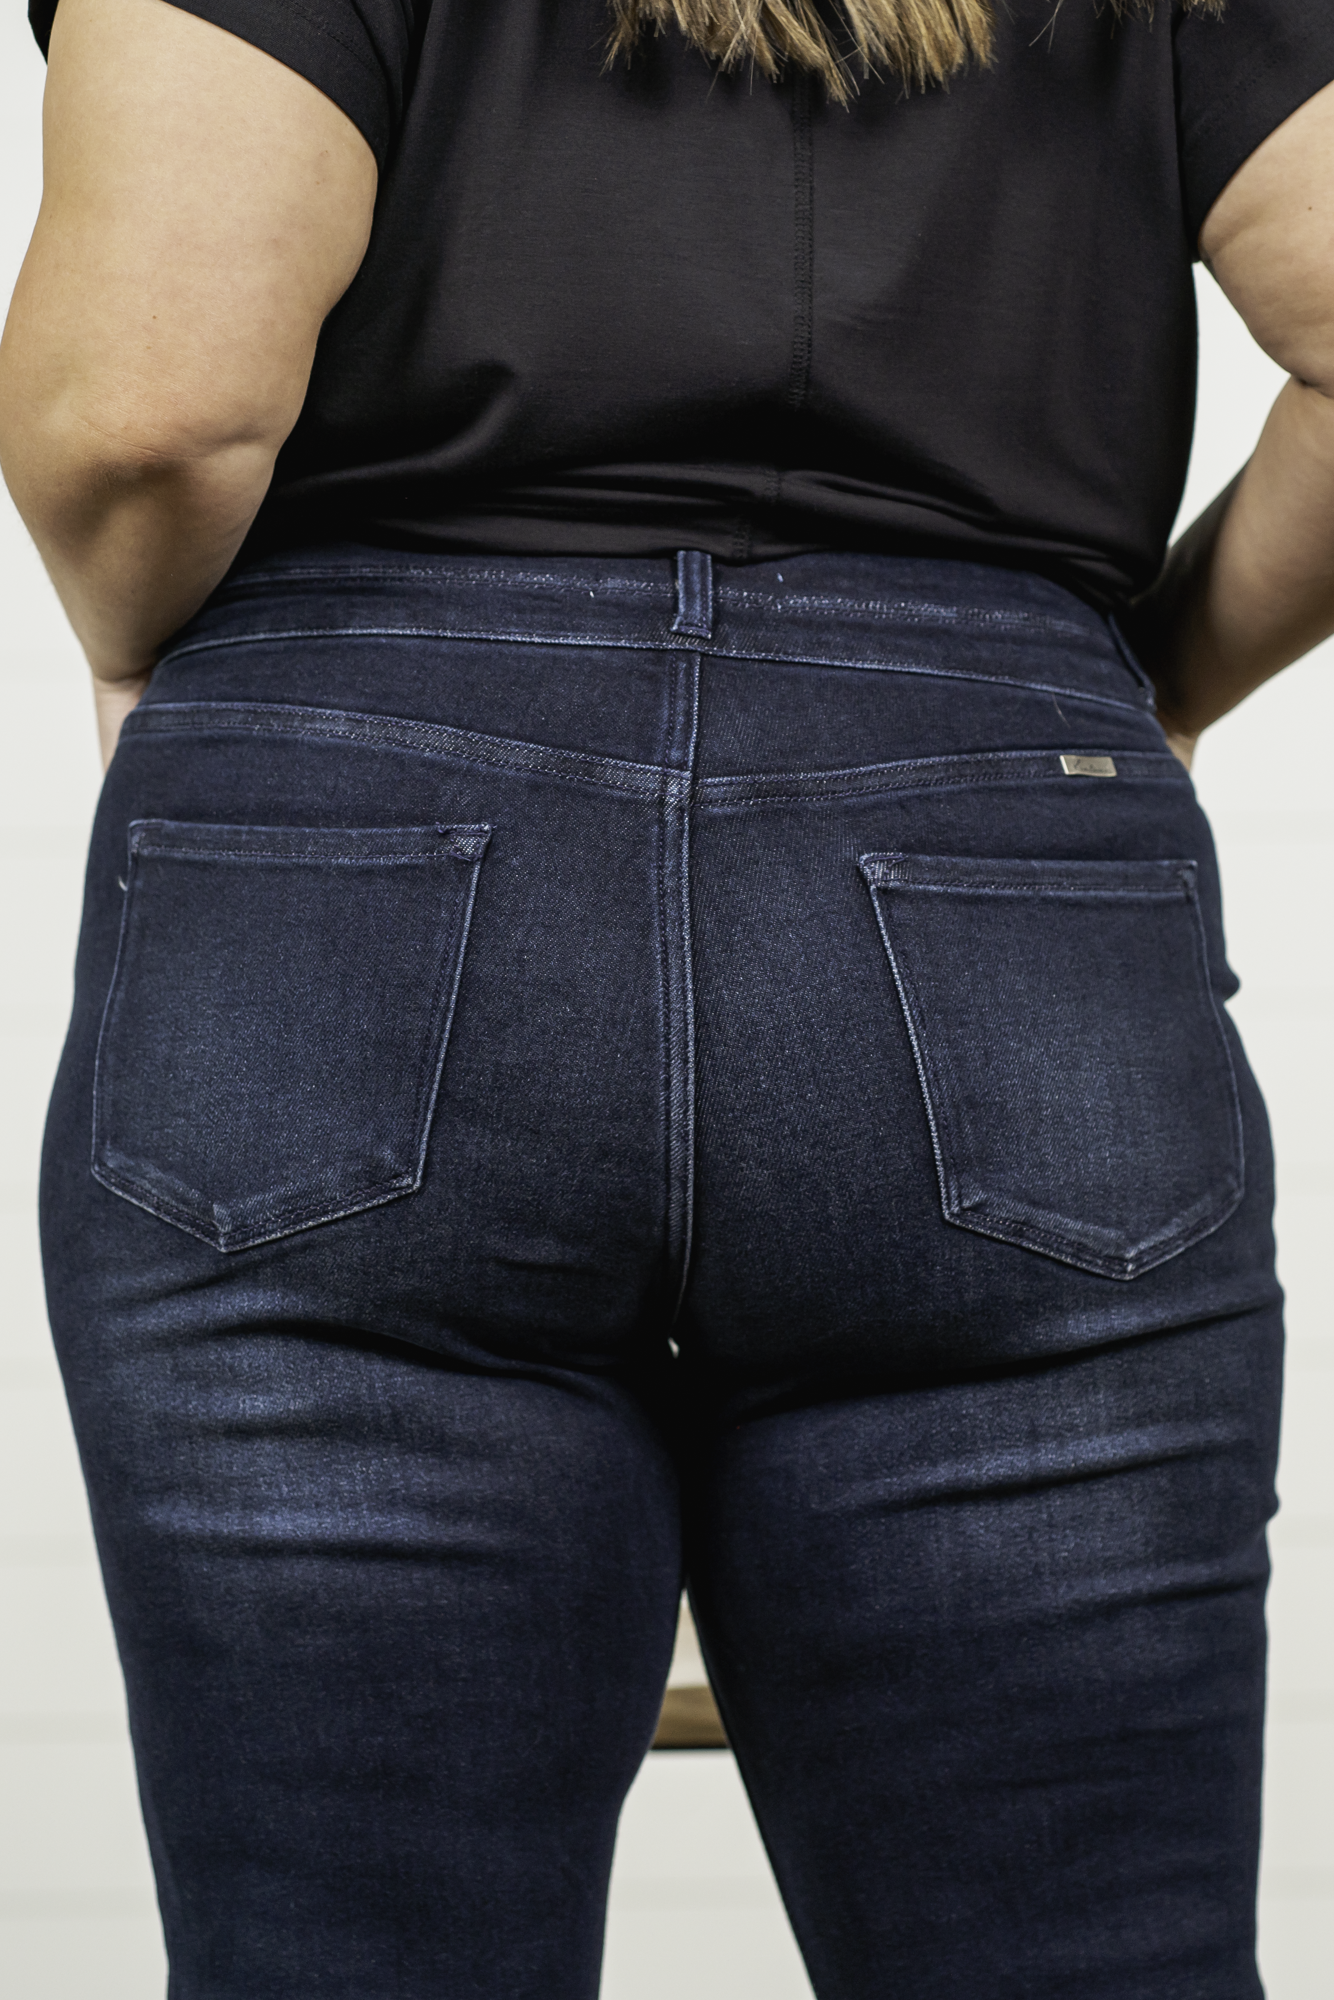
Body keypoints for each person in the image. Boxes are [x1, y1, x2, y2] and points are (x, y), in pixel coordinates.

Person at [2, 0, 1332, 1992]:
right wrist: (1145, 683)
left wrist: (145, 655)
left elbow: (144, 412)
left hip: (353, 845)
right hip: (996, 866)